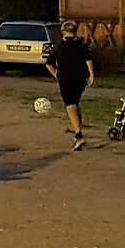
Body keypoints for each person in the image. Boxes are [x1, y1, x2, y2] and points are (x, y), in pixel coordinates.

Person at [46, 20, 96, 150]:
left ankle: (79, 135)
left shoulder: (59, 46)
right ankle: (77, 128)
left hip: (66, 78)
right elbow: (88, 59)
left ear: (63, 31)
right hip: (80, 78)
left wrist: (56, 74)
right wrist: (91, 75)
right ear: (75, 31)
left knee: (70, 105)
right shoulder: (81, 44)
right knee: (75, 102)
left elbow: (49, 63)